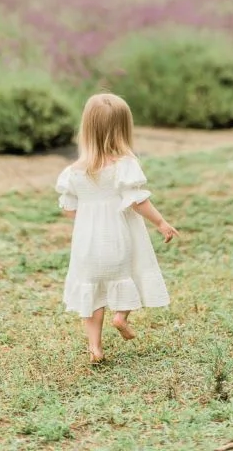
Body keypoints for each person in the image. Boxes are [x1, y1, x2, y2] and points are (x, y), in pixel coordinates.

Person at [55, 92, 179, 364]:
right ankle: (121, 318)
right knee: (128, 275)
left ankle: (95, 347)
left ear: (87, 128)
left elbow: (67, 209)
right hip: (118, 237)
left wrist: (89, 216)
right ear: (122, 129)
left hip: (87, 242)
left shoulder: (73, 171)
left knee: (92, 290)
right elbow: (138, 201)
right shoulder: (124, 166)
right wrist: (161, 222)